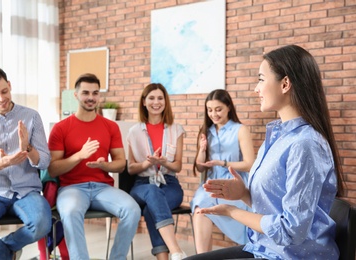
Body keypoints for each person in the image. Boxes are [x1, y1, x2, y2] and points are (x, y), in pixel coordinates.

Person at [185, 44, 344, 260]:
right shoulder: (277, 135)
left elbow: (291, 230)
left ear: (285, 83)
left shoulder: (305, 144)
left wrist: (232, 211)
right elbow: (275, 207)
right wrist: (242, 194)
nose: (256, 88)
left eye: (261, 79)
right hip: (263, 248)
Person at [47, 73, 141, 260]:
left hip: (102, 188)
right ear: (76, 95)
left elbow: (121, 163)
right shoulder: (61, 128)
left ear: (99, 96)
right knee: (71, 211)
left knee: (133, 210)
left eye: (95, 93)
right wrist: (79, 156)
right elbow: (52, 169)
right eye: (85, 93)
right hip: (71, 188)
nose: (91, 97)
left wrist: (105, 165)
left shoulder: (110, 126)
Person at [0, 66, 52, 260]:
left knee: (41, 224)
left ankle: (6, 249)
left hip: (26, 190)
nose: (1, 98)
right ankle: (8, 256)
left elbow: (45, 161)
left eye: (4, 91)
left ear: (10, 85)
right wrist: (2, 163)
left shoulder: (31, 116)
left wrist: (28, 149)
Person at [126, 83, 187, 260]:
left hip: (170, 184)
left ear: (165, 102)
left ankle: (164, 258)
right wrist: (146, 163)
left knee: (150, 210)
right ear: (144, 102)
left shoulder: (176, 129)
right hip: (142, 185)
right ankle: (175, 250)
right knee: (152, 193)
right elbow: (130, 168)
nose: (156, 102)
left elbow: (178, 166)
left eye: (160, 98)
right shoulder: (134, 131)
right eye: (151, 98)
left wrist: (165, 162)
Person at [191, 89, 255, 253]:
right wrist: (202, 150)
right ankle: (202, 257)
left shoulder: (240, 130)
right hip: (212, 183)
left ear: (228, 107)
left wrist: (223, 163)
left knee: (213, 204)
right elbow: (199, 167)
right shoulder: (207, 131)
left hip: (236, 183)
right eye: (210, 110)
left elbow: (250, 164)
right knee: (200, 208)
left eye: (218, 109)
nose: (213, 114)